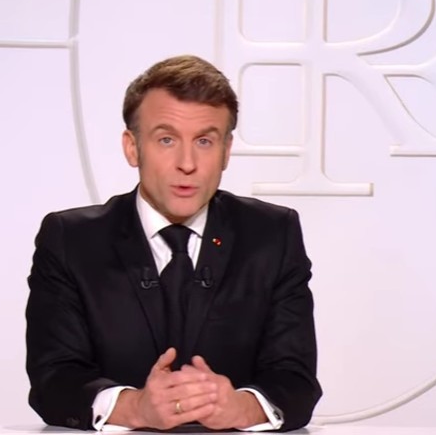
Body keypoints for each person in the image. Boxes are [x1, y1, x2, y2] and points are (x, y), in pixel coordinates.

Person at [25, 55, 321, 431]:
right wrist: (135, 408)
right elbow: (53, 380)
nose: (187, 163)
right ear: (132, 147)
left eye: (204, 141)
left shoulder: (272, 235)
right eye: (166, 139)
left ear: (226, 151)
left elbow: (295, 379)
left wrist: (240, 408)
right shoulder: (72, 240)